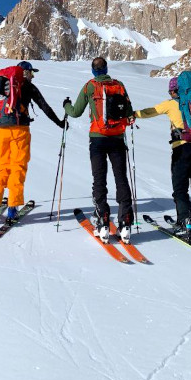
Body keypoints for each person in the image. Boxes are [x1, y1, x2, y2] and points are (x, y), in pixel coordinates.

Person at [0, 60, 66, 222]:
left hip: (1, 131)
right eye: (31, 73)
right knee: (18, 167)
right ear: (25, 72)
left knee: (2, 168)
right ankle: (12, 208)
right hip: (20, 131)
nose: (32, 76)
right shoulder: (28, 87)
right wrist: (60, 123)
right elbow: (44, 107)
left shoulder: (4, 85)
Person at [133, 73, 191, 243]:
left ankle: (186, 223)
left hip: (181, 150)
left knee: (180, 188)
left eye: (170, 92)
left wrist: (132, 114)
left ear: (174, 91)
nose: (170, 94)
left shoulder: (170, 105)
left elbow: (149, 112)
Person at [63, 57, 134, 244]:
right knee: (121, 179)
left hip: (97, 140)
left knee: (99, 179)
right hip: (118, 139)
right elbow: (129, 112)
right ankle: (125, 223)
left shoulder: (90, 86)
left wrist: (66, 106)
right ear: (107, 69)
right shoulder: (119, 85)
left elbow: (76, 111)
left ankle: (102, 221)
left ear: (93, 71)